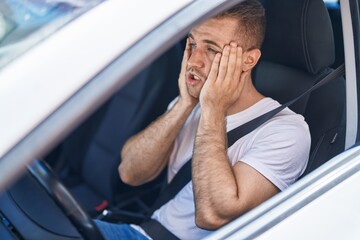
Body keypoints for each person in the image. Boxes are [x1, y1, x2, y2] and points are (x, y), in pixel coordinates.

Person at [95, 0, 311, 239]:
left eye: (211, 50)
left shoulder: (287, 131)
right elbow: (130, 173)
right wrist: (184, 103)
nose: (193, 61)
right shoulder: (194, 102)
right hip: (142, 230)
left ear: (248, 61)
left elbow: (212, 216)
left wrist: (214, 109)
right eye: (192, 44)